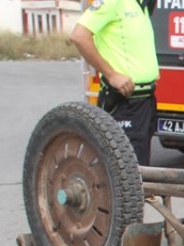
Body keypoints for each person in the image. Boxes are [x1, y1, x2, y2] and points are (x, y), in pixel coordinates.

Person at [69, 0, 159, 166]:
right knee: (123, 169)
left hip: (145, 101)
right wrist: (111, 74)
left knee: (140, 167)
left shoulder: (141, 5)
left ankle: (144, 192)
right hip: (123, 101)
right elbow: (79, 36)